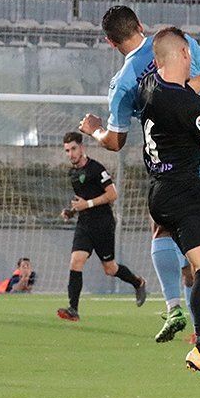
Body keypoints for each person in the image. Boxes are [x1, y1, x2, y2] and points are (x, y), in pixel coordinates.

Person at [91, 27, 200, 390]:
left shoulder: (149, 89)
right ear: (186, 55)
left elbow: (183, 90)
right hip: (187, 191)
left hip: (162, 192)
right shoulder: (189, 105)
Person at [78, 5, 200, 344]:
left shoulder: (122, 83)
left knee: (167, 230)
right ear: (141, 24)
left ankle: (174, 307)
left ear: (111, 42)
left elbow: (116, 141)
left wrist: (93, 130)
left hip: (174, 158)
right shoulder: (174, 42)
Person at [56, 131, 147, 322]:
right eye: (67, 150)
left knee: (110, 268)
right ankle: (73, 308)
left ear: (82, 147)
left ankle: (138, 282)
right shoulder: (73, 173)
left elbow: (112, 195)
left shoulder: (97, 169)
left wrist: (87, 205)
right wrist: (72, 211)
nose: (70, 154)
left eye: (73, 149)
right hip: (85, 224)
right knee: (76, 261)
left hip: (103, 224)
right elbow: (82, 199)